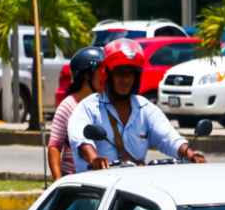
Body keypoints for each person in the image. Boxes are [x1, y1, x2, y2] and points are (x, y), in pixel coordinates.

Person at [67, 39, 206, 172]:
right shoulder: (87, 108)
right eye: (119, 72)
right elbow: (81, 140)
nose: (126, 79)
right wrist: (94, 159)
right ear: (107, 74)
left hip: (131, 189)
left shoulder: (145, 109)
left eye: (131, 73)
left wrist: (189, 154)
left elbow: (168, 137)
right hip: (96, 190)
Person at [47, 46, 104, 180]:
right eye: (100, 72)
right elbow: (54, 146)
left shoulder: (104, 103)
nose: (104, 76)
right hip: (74, 178)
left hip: (101, 176)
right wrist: (58, 180)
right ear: (87, 76)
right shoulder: (68, 106)